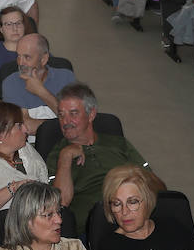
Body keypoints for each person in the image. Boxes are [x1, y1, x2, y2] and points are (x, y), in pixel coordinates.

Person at [47, 84, 146, 229]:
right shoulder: (58, 155)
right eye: (61, 115)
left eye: (73, 113)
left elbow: (153, 183)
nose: (65, 121)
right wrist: (66, 157)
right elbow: (60, 204)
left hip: (132, 212)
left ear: (91, 114)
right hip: (94, 226)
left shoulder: (118, 144)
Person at [2, 34, 75, 129]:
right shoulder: (11, 82)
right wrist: (62, 123)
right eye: (18, 56)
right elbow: (24, 126)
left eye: (27, 57)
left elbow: (75, 121)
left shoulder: (66, 77)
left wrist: (41, 91)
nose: (20, 63)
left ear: (43, 59)